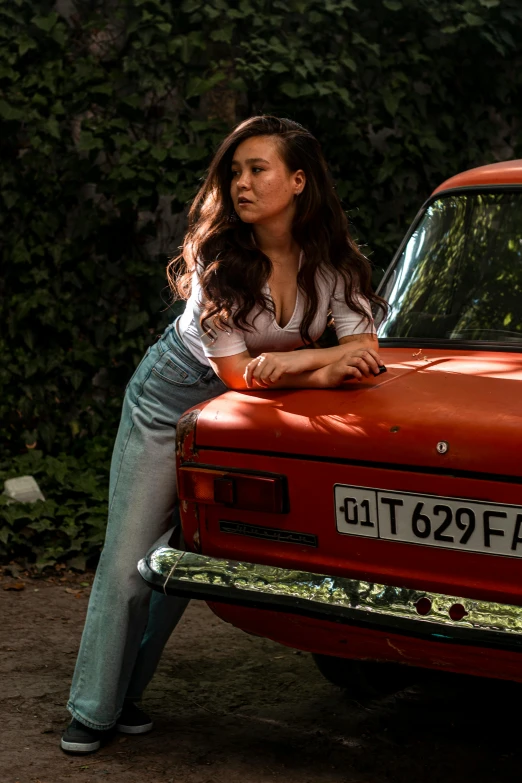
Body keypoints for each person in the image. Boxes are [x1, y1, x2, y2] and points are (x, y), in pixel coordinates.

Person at [60, 115, 387, 754]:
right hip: (169, 402)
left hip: (247, 413)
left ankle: (127, 695)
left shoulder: (334, 264)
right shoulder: (219, 261)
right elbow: (240, 373)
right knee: (130, 563)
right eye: (233, 171)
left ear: (297, 181)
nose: (241, 183)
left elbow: (366, 347)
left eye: (256, 169)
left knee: (183, 564)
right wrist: (320, 371)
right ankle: (92, 710)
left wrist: (294, 363)